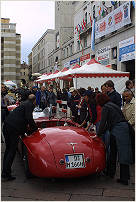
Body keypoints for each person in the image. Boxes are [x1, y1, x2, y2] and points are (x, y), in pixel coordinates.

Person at [96, 93, 132, 185]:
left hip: (118, 130)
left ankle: (116, 176)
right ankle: (119, 175)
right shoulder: (113, 105)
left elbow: (103, 123)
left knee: (117, 153)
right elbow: (108, 124)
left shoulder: (106, 108)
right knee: (119, 153)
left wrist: (98, 134)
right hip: (123, 128)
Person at [2, 94, 38, 181]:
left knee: (8, 149)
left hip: (7, 124)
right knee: (12, 150)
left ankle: (5, 172)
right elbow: (29, 118)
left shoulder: (24, 103)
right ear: (34, 100)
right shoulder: (30, 105)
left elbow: (22, 118)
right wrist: (35, 129)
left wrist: (25, 131)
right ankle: (6, 174)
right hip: (13, 128)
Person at [122, 89, 135, 163]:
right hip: (128, 126)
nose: (125, 98)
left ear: (131, 95)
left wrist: (128, 124)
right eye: (124, 96)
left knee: (133, 144)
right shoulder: (125, 103)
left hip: (132, 127)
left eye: (127, 96)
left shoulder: (134, 103)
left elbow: (134, 117)